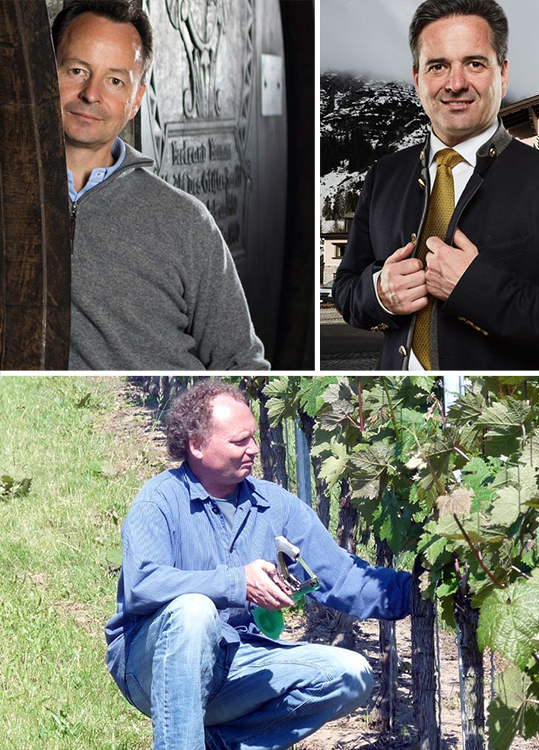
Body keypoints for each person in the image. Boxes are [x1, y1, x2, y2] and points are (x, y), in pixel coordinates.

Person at [104, 381, 413, 748]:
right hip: (152, 667)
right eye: (239, 441)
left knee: (352, 675)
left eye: (253, 437)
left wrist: (423, 590)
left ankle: (220, 744)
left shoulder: (275, 506)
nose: (253, 449)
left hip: (237, 658)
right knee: (193, 610)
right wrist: (237, 583)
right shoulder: (159, 500)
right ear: (197, 445)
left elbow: (342, 577)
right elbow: (143, 585)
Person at [332, 0, 539, 370]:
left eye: (475, 63)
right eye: (438, 66)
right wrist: (379, 293)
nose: (455, 84)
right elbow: (346, 289)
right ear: (417, 78)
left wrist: (477, 290)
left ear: (503, 74)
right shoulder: (384, 175)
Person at [52, 0, 267, 370]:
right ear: (45, 72)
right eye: (76, 70)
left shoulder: (185, 220)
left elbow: (241, 363)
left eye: (115, 80)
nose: (91, 94)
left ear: (136, 100)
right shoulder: (13, 198)